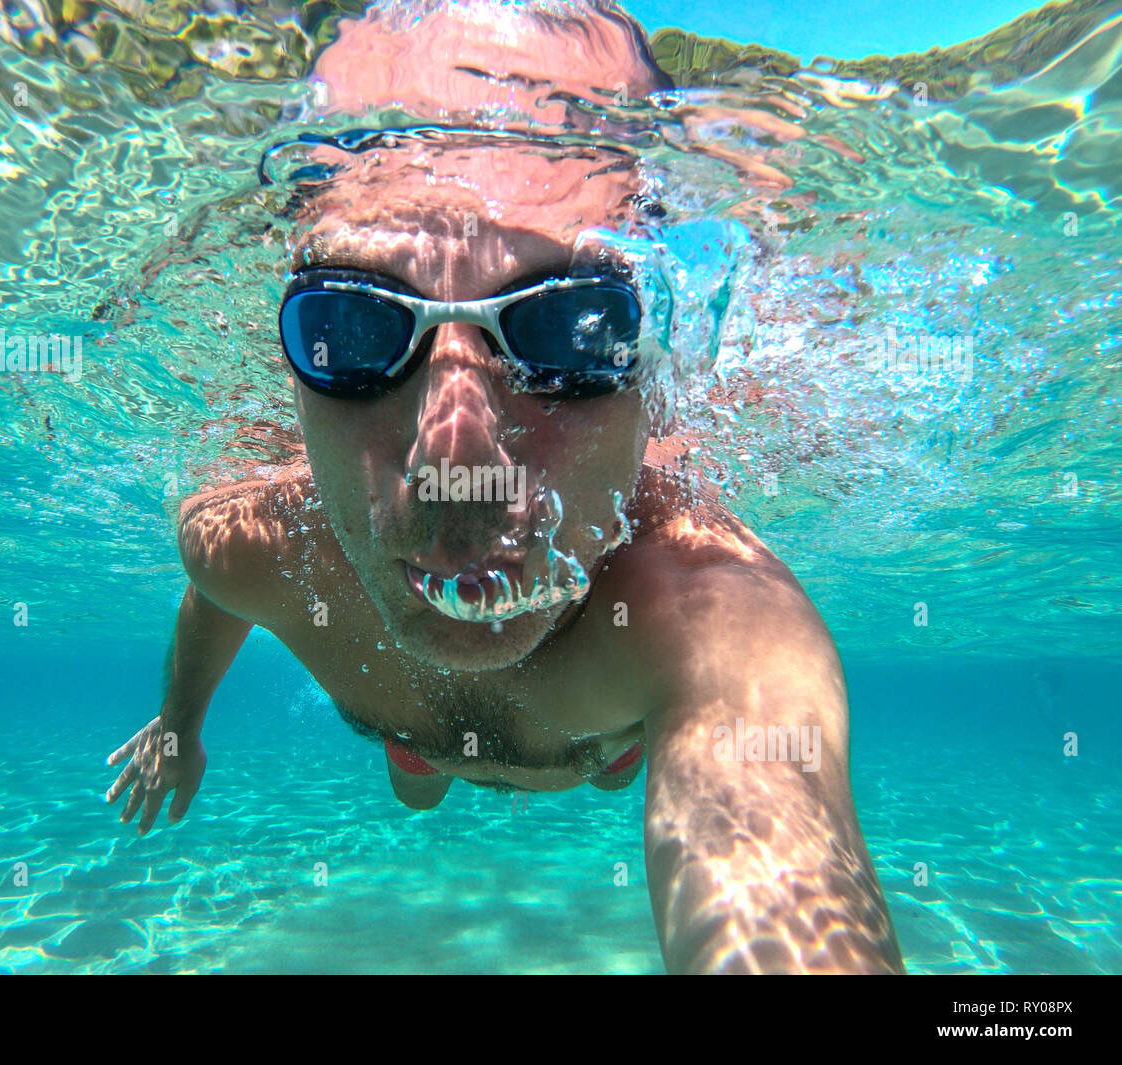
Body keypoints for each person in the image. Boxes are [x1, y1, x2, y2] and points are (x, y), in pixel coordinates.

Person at [105, 0, 904, 975]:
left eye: (571, 332)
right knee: (420, 778)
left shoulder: (713, 618)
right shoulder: (250, 543)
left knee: (599, 772)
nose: (456, 462)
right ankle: (427, 756)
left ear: (650, 373)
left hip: (591, 745)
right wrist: (178, 727)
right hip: (418, 733)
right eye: (351, 335)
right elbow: (215, 595)